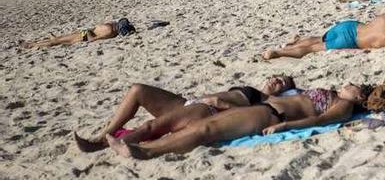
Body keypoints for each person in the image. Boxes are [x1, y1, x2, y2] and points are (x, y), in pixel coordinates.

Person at [105, 84, 385, 160]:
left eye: (356, 86)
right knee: (200, 125)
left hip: (269, 115)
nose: (350, 83)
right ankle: (135, 142)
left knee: (206, 130)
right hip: (264, 107)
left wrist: (283, 127)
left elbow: (317, 120)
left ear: (364, 97)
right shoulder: (338, 96)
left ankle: (147, 152)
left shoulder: (343, 106)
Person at [74, 75, 296, 152]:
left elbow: (245, 119)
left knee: (149, 127)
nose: (277, 80)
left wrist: (221, 104)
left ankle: (106, 145)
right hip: (189, 103)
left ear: (286, 91)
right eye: (278, 77)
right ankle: (106, 134)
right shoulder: (254, 89)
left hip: (207, 111)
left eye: (283, 83)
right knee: (138, 90)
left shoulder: (263, 101)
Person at [262, 7, 385, 59]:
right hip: (351, 41)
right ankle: (278, 52)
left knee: (317, 38)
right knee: (313, 49)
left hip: (349, 27)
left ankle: (292, 44)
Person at [21, 18, 136, 49]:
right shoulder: (112, 26)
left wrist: (86, 34)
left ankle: (33, 45)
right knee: (60, 38)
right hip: (85, 32)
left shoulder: (110, 31)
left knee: (57, 42)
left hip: (85, 36)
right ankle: (44, 41)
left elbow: (93, 39)